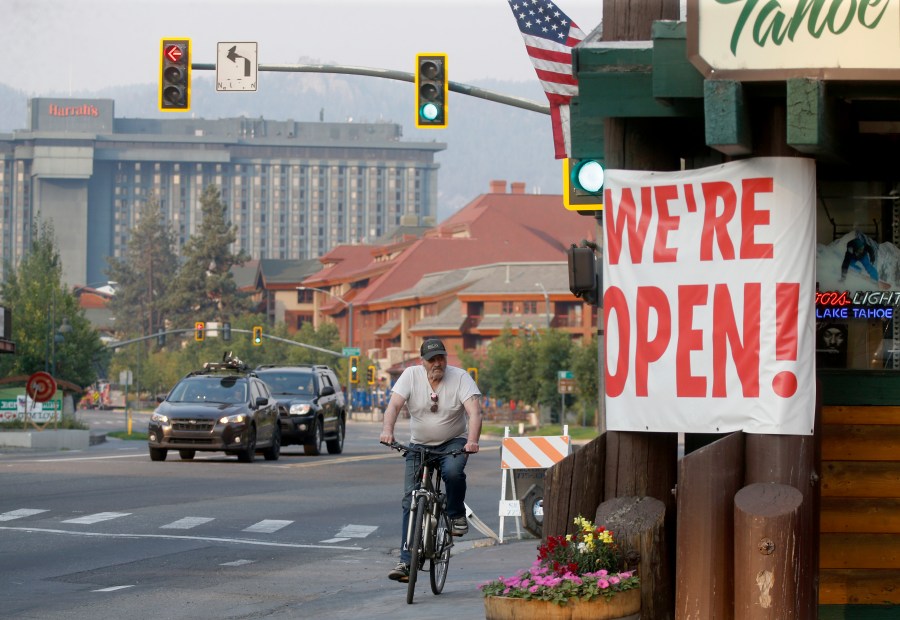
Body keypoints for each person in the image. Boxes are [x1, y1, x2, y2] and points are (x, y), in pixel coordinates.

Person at [380, 337, 483, 583]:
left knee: (454, 472)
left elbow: (474, 412)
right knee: (410, 499)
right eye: (432, 359)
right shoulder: (410, 375)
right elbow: (394, 406)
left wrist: (472, 440)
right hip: (419, 445)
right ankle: (406, 562)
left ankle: (456, 515)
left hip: (453, 442)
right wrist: (387, 430)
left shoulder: (460, 377)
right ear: (422, 362)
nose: (438, 363)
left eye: (441, 358)